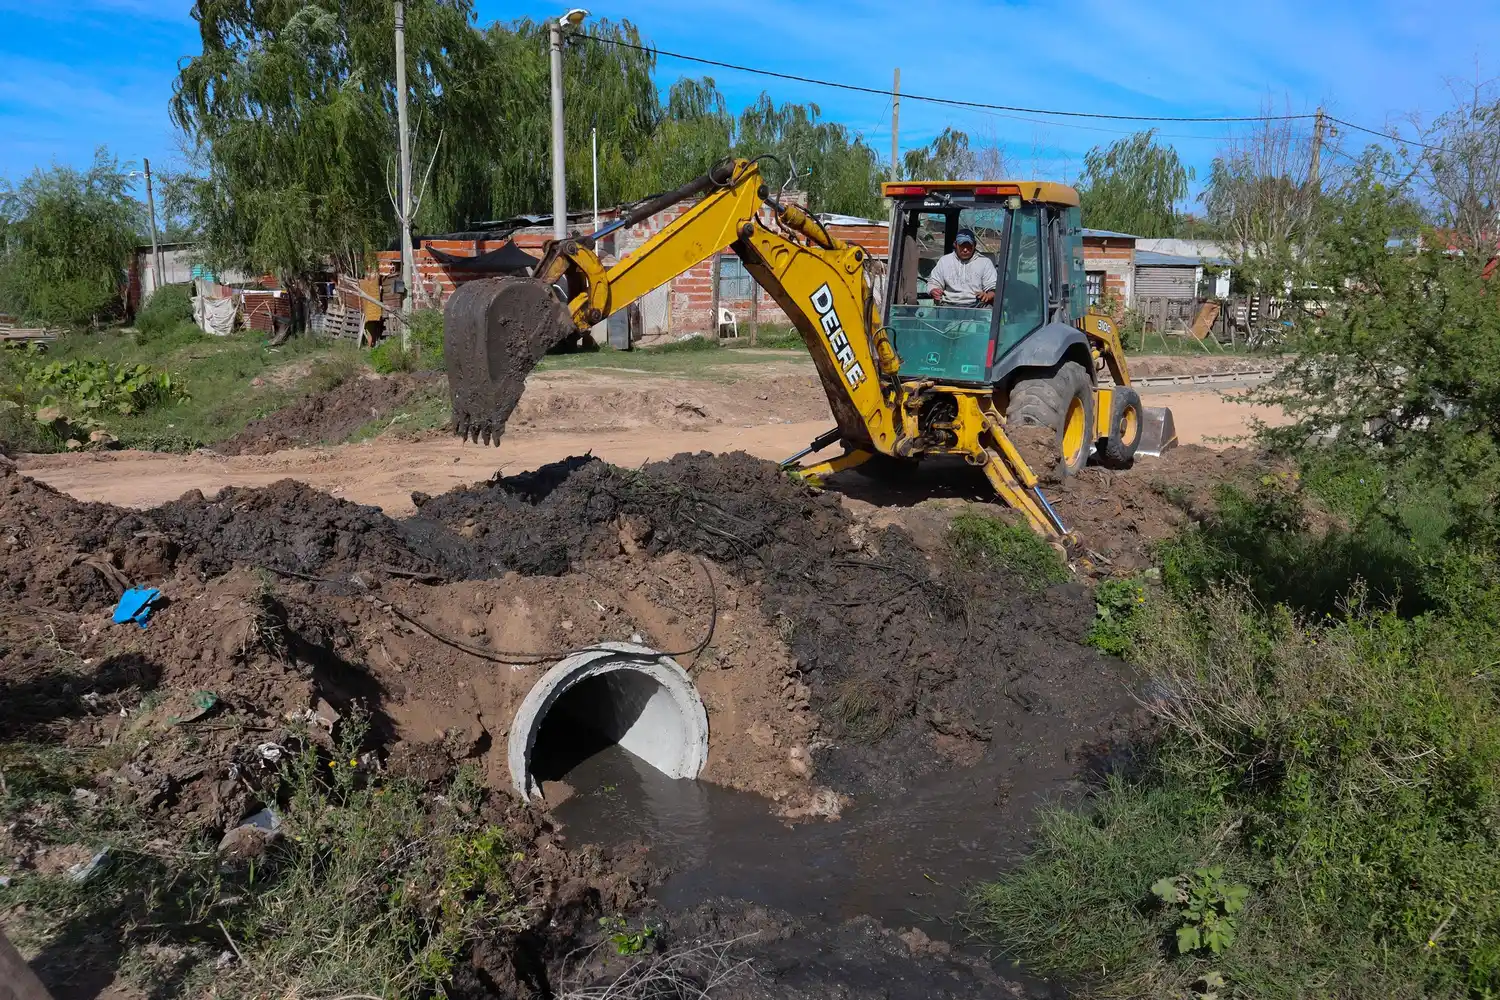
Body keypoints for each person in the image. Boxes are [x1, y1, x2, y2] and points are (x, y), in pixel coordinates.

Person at [928, 227, 997, 307]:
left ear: (974, 245)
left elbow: (993, 288)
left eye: (968, 246)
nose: (965, 249)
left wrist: (988, 295)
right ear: (955, 244)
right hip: (948, 305)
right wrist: (934, 289)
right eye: (962, 245)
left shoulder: (985, 262)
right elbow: (934, 282)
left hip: (978, 305)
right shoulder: (944, 261)